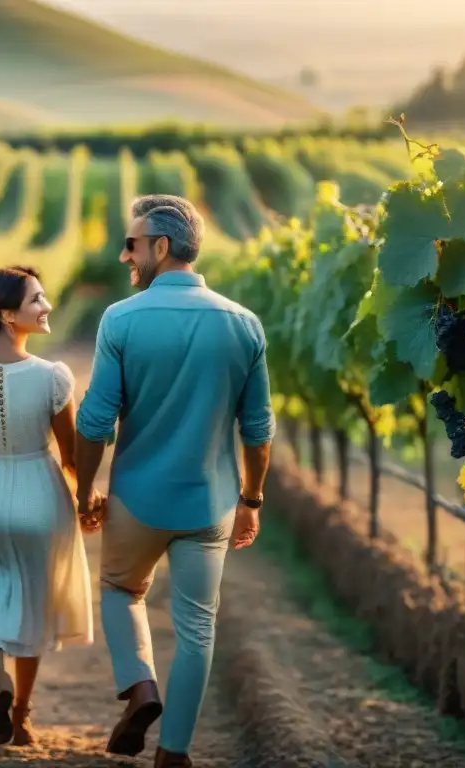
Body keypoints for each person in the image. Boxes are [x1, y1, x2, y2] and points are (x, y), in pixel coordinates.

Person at [74, 195, 275, 768]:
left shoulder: (122, 319)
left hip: (137, 497)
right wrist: (251, 498)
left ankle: (140, 688)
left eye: (132, 245)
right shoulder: (243, 324)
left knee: (120, 589)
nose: (125, 256)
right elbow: (258, 429)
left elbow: (94, 421)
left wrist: (87, 489)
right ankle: (175, 753)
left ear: (161, 248)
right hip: (209, 504)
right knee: (197, 628)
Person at [0, 265, 96, 748]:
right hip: (39, 495)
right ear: (9, 315)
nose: (46, 307)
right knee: (34, 606)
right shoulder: (53, 377)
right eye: (37, 300)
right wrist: (87, 499)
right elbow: (70, 456)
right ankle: (22, 717)